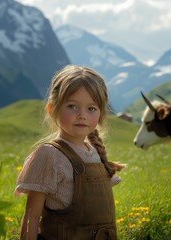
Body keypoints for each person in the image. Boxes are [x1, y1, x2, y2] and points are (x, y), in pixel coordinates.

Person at [15, 65, 125, 240]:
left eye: (91, 108)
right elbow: (32, 216)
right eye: (72, 106)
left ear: (101, 112)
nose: (82, 115)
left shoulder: (96, 152)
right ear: (52, 109)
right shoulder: (49, 155)